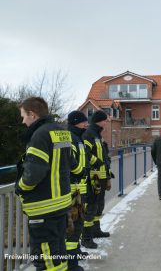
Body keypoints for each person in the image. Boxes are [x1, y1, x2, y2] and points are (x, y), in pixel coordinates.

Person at [15, 97, 73, 270]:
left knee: (45, 260)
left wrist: (20, 188)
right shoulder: (61, 131)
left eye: (23, 116)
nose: (22, 121)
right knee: (57, 254)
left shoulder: (39, 135)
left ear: (32, 114)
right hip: (60, 204)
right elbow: (71, 162)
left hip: (44, 208)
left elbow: (34, 173)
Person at [82, 110, 112, 248]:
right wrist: (98, 163)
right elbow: (85, 155)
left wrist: (107, 171)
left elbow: (104, 154)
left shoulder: (97, 135)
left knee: (99, 205)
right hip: (94, 177)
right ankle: (86, 237)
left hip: (101, 176)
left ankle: (96, 230)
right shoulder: (89, 134)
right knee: (91, 207)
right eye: (105, 120)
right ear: (99, 121)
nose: (106, 122)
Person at [67, 110, 90, 270]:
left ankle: (75, 251)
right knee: (73, 227)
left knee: (79, 224)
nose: (86, 124)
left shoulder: (78, 138)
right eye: (83, 122)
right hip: (73, 190)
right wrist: (80, 172)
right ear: (76, 122)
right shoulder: (71, 139)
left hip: (80, 188)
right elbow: (70, 163)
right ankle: (70, 262)